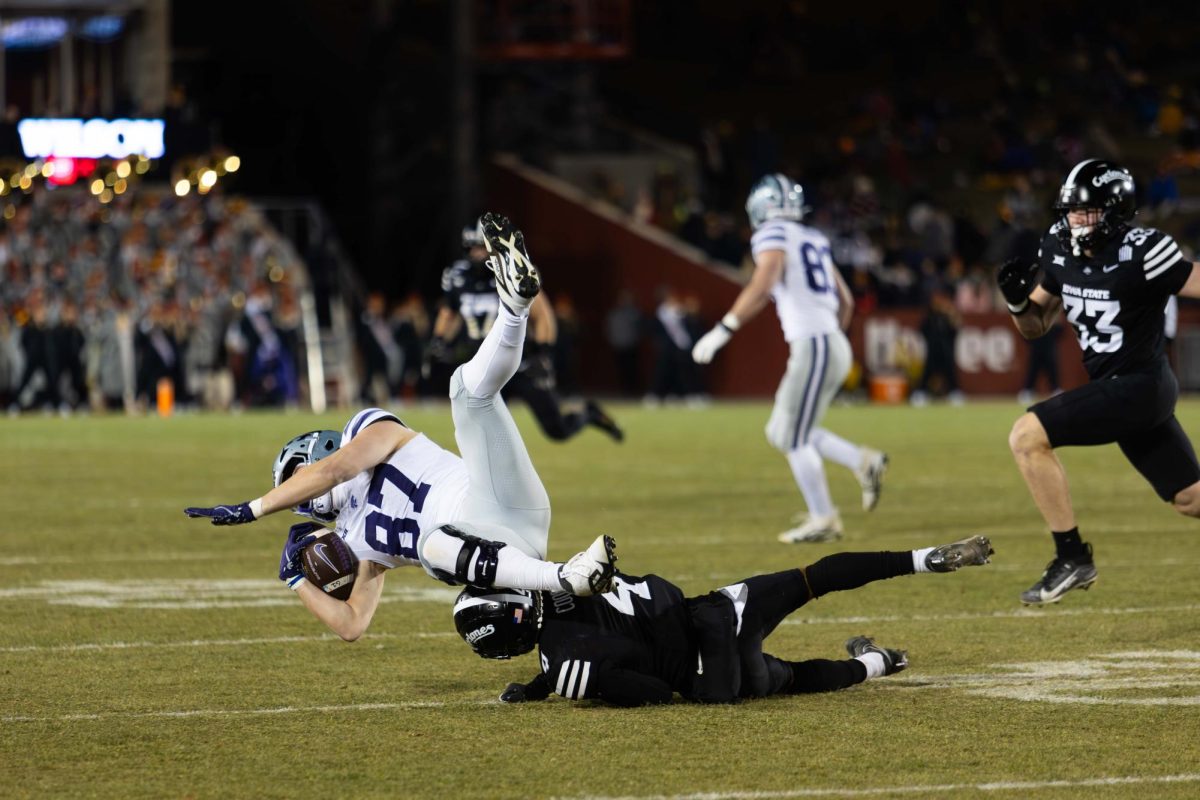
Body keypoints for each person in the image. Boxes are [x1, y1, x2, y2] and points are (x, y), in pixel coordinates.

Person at [185, 213, 618, 641]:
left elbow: (336, 471)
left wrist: (255, 508)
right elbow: (352, 625)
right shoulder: (355, 544)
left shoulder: (365, 432)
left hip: (503, 497)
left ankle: (514, 308)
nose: (303, 502)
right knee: (436, 552)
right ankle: (569, 577)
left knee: (466, 391)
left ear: (313, 454)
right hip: (494, 555)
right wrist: (294, 581)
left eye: (296, 483)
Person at [454, 536, 994, 706]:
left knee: (787, 678)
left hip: (715, 681)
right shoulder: (569, 576)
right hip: (714, 614)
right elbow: (589, 628)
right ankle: (923, 559)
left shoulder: (561, 661)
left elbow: (648, 690)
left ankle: (880, 662)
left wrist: (548, 686)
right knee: (814, 576)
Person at [997, 159, 1200, 606]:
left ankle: (1072, 557)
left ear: (1115, 211)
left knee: (1027, 436)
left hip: (1142, 385)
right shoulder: (1059, 246)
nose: (1076, 221)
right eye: (1071, 211)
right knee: (1190, 498)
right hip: (1120, 389)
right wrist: (1016, 302)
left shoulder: (1144, 250)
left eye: (1086, 212)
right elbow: (1036, 326)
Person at [692, 174, 889, 543]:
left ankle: (825, 517)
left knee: (792, 437)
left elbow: (763, 281)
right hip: (828, 340)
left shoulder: (773, 234)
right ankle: (862, 461)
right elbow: (846, 301)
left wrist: (725, 328)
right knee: (783, 431)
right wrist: (831, 339)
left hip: (815, 343)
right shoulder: (812, 237)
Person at [425, 224, 623, 443]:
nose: (479, 253)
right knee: (484, 432)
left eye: (484, 247)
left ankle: (589, 414)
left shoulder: (513, 272)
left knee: (557, 430)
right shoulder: (457, 276)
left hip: (520, 362)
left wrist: (543, 353)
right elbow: (449, 313)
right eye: (474, 248)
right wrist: (438, 341)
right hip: (486, 365)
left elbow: (544, 315)